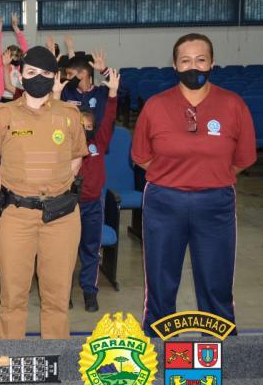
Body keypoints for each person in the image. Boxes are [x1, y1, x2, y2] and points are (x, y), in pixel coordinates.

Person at [132, 33, 256, 332]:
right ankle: (157, 348)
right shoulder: (156, 106)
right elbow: (141, 157)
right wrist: (174, 176)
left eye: (201, 59)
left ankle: (220, 352)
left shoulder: (232, 104)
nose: (194, 66)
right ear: (174, 65)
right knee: (160, 282)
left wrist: (207, 175)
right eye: (185, 60)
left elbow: (242, 159)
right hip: (164, 202)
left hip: (215, 203)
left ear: (212, 62)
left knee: (216, 281)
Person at [0, 46, 87, 339]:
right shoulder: (4, 113)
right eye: (30, 72)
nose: (37, 78)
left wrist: (60, 184)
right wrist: (7, 190)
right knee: (13, 296)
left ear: (55, 77)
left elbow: (78, 155)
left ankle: (54, 358)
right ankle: (12, 359)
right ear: (20, 75)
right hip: (15, 215)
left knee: (57, 296)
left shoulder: (69, 114)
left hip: (61, 216)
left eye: (45, 73)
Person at [74, 68, 119, 313]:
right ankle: (63, 293)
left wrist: (112, 93)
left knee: (91, 249)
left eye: (89, 124)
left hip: (93, 204)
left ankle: (89, 292)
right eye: (80, 125)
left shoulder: (98, 142)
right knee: (66, 252)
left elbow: (110, 116)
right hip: (69, 205)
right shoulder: (67, 146)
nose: (85, 128)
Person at [61, 50, 113, 131]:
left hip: (95, 140)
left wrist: (104, 70)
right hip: (72, 139)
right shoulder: (65, 92)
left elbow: (121, 88)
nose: (67, 77)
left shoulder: (101, 93)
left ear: (83, 73)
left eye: (70, 74)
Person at [0, 12, 29, 102]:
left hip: (18, 98)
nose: (15, 58)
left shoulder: (20, 66)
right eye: (13, 55)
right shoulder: (1, 65)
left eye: (17, 55)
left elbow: (24, 45)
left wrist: (15, 26)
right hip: (4, 99)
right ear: (7, 55)